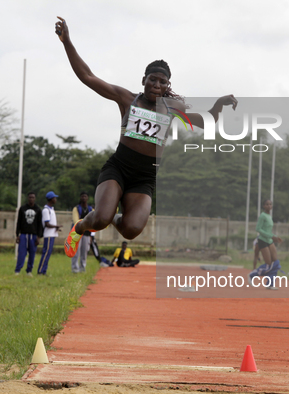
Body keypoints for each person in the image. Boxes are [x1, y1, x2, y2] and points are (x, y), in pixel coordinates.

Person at [55, 17, 238, 258]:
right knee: (99, 219)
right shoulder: (126, 98)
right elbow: (88, 77)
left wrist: (218, 105)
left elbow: (206, 121)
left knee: (131, 230)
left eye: (162, 82)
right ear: (144, 80)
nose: (156, 84)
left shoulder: (172, 108)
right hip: (119, 168)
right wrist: (67, 42)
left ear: (167, 86)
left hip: (145, 176)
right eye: (152, 79)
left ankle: (114, 215)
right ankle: (79, 228)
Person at [248, 199, 282, 288]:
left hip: (269, 241)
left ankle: (270, 284)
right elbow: (258, 229)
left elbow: (268, 230)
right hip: (263, 240)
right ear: (264, 206)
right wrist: (271, 236)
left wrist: (275, 237)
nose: (269, 206)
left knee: (275, 262)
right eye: (267, 204)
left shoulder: (269, 216)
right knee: (268, 264)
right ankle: (252, 274)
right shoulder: (262, 216)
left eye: (270, 204)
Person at [15, 191, 43, 276]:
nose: (31, 199)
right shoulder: (23, 209)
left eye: (33, 197)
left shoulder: (38, 209)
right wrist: (17, 235)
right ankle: (18, 270)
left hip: (33, 235)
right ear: (28, 198)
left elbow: (39, 224)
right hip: (24, 234)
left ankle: (29, 270)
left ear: (35, 199)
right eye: (30, 197)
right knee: (21, 253)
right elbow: (19, 222)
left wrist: (38, 237)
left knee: (32, 254)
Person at [37, 191, 61, 275]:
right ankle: (40, 270)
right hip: (48, 235)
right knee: (46, 253)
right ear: (51, 199)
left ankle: (44, 271)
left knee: (48, 253)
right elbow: (46, 224)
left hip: (52, 234)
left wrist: (56, 227)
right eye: (54, 198)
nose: (56, 199)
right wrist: (56, 226)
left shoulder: (51, 210)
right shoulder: (46, 210)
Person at [71, 192, 93, 273]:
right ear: (80, 198)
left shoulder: (90, 209)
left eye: (85, 196)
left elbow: (93, 222)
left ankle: (82, 268)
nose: (84, 198)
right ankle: (75, 268)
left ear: (87, 198)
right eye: (82, 196)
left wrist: (91, 235)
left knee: (84, 252)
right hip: (77, 233)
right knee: (76, 251)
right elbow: (76, 222)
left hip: (87, 234)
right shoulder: (76, 208)